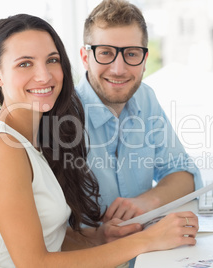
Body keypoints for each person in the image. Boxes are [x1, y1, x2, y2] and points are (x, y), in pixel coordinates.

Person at [0, 13, 198, 267]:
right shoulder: (3, 148)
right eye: (25, 64)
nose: (44, 75)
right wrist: (147, 240)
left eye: (52, 60)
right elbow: (35, 263)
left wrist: (98, 237)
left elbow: (50, 238)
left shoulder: (32, 138)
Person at [77, 0, 203, 223]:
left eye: (132, 54)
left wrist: (148, 201)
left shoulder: (145, 98)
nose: (118, 69)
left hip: (146, 250)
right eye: (105, 53)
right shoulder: (63, 114)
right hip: (94, 254)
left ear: (144, 60)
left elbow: (184, 174)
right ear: (86, 58)